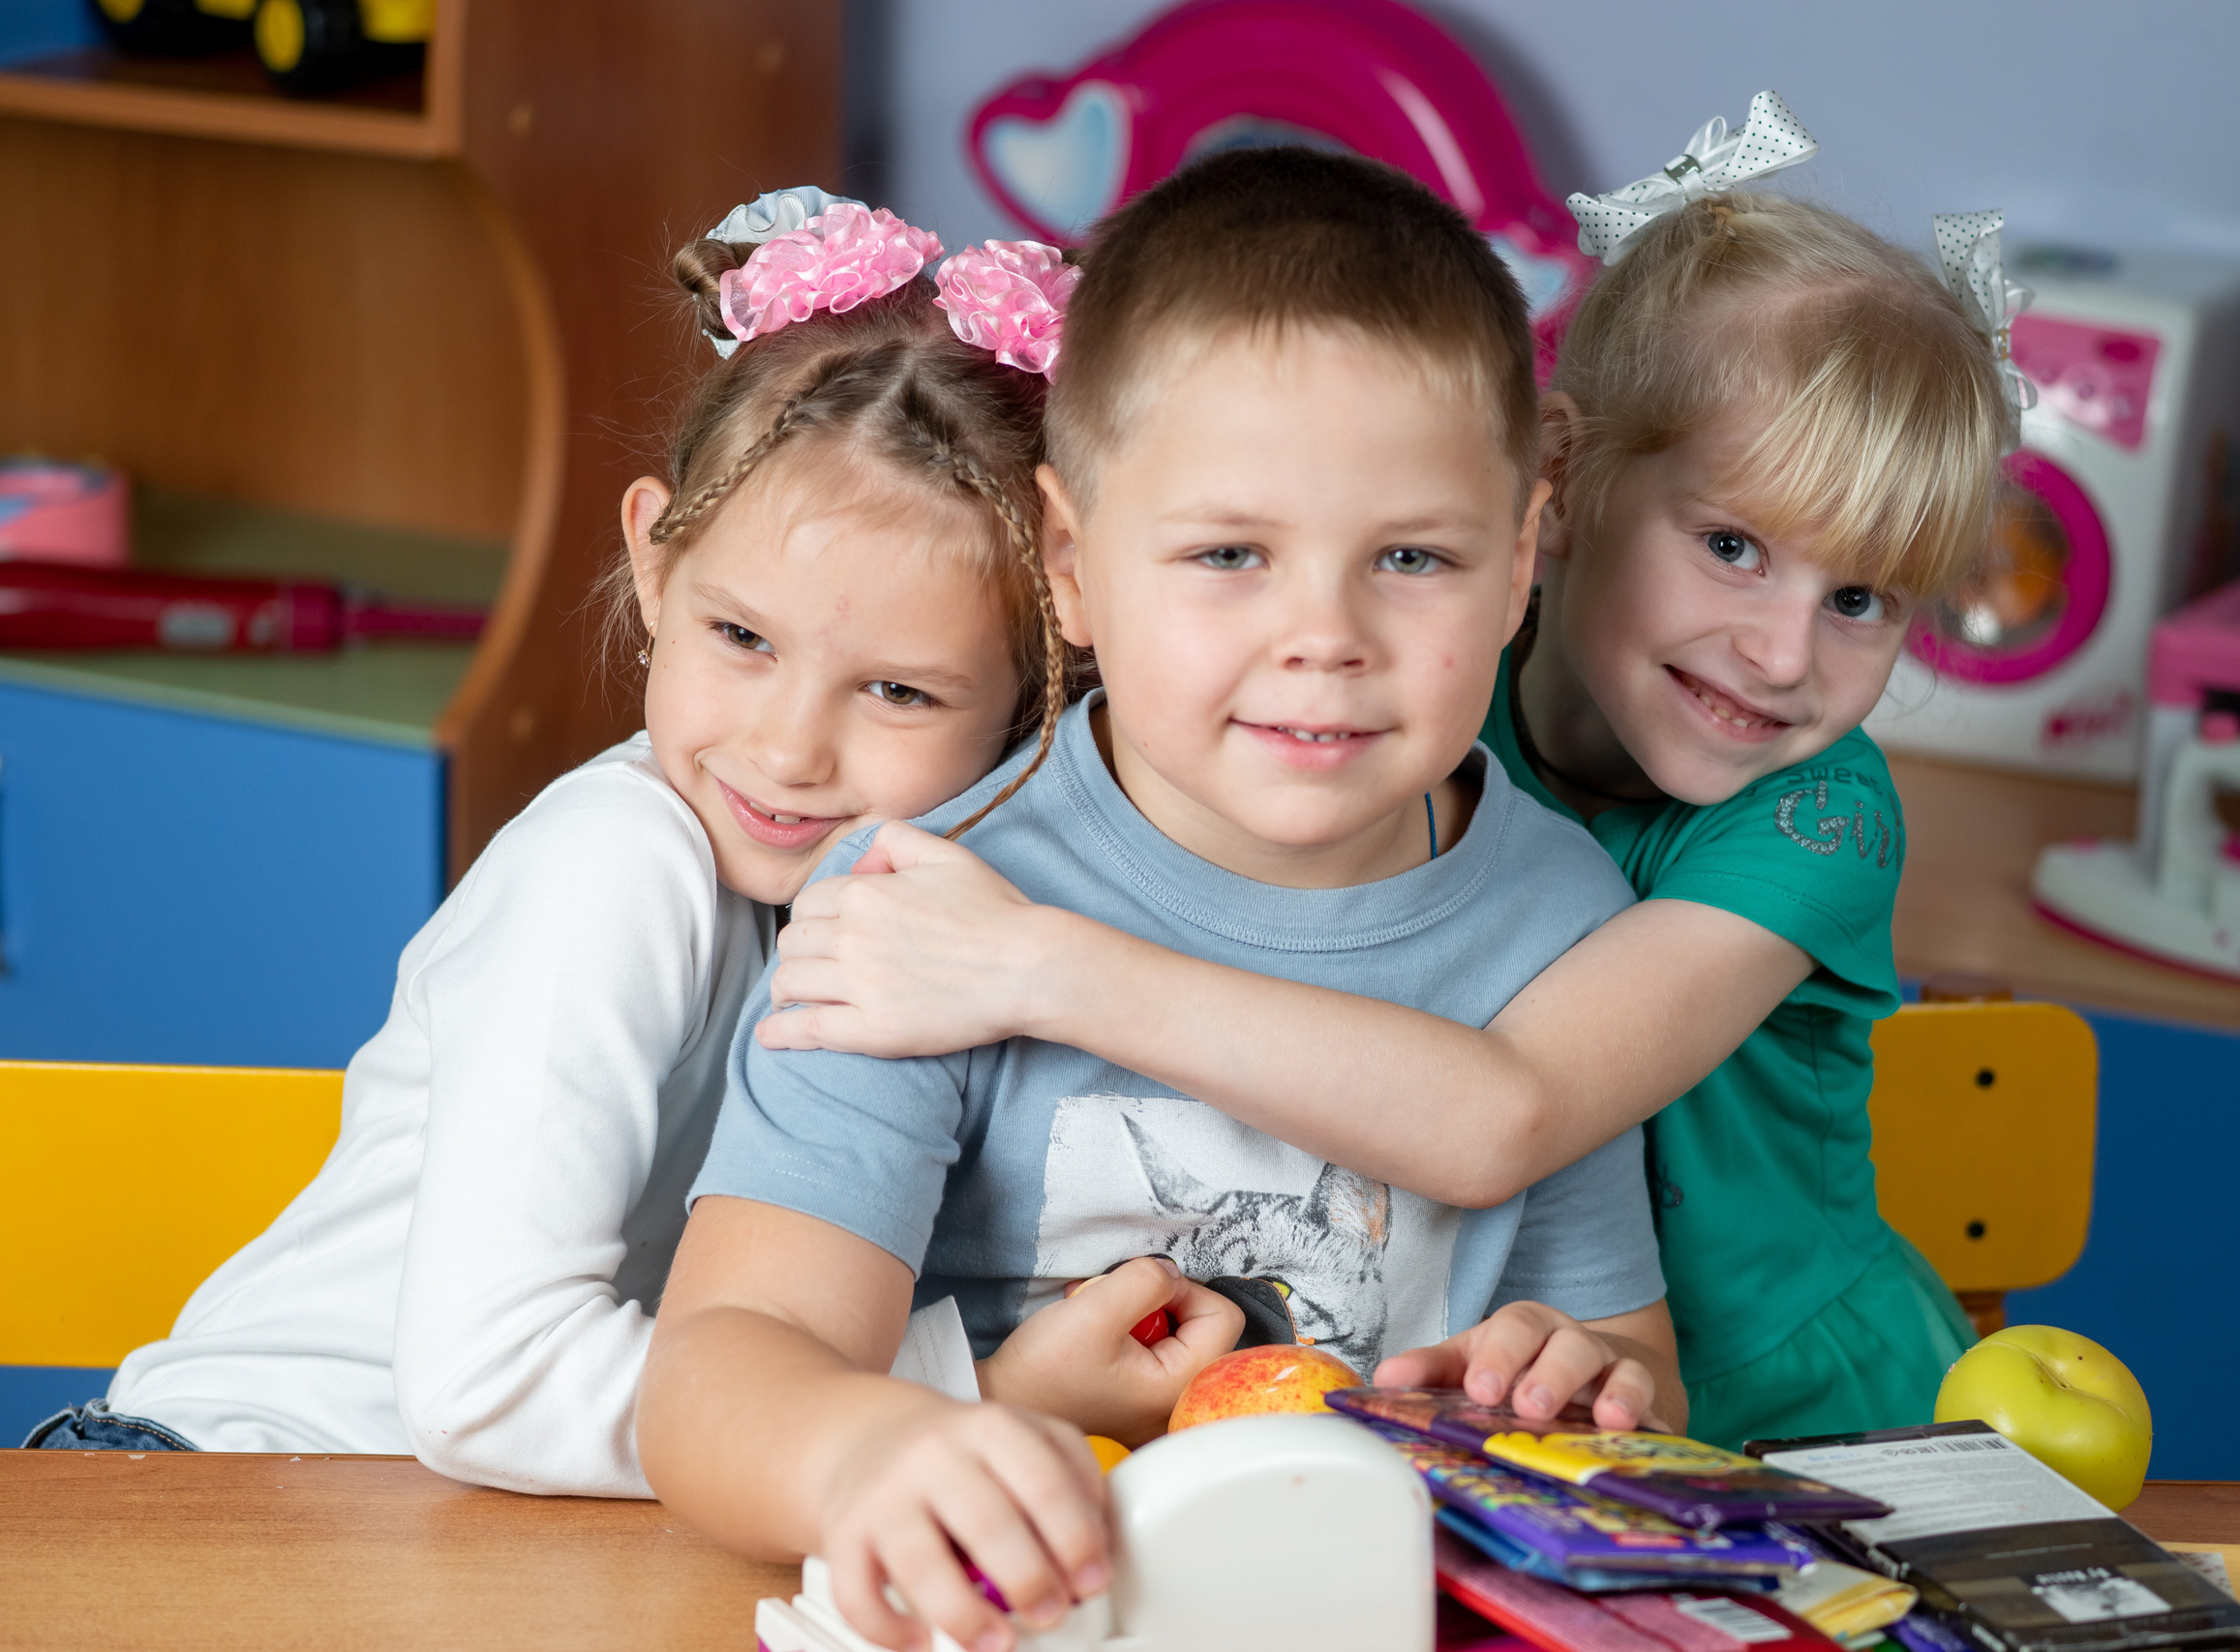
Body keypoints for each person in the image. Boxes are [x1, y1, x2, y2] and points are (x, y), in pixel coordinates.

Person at [757, 100, 2023, 1453]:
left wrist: (1034, 968)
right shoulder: (1405, 682)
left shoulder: (1807, 816)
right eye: (1731, 548)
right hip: (1490, 1418)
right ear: (1566, 496)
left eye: (1865, 599)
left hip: (1793, 1414)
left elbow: (1504, 1116)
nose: (1780, 653)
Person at [637, 147, 1685, 1652]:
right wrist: (866, 1454)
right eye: (1227, 555)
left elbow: (1632, 1363)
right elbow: (723, 1369)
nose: (1322, 636)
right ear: (1072, 565)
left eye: (1411, 557)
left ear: (1521, 562)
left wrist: (1578, 1382)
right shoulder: (924, 902)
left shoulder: (1559, 924)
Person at [33, 189, 1082, 1498]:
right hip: (211, 1503)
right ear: (654, 565)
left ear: (1038, 688)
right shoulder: (620, 863)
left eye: (898, 692)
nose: (791, 749)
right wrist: (969, 1388)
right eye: (742, 639)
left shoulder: (887, 904)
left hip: (421, 1530)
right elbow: (493, 1388)